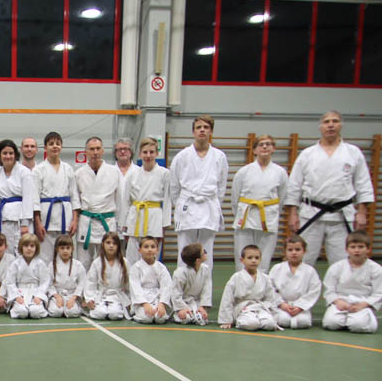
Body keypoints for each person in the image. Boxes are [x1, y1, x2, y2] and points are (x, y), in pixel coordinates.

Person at [285, 110, 375, 265]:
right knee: (303, 261)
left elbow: (363, 183)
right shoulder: (307, 154)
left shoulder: (353, 153)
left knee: (343, 263)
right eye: (326, 122)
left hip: (341, 215)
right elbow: (294, 185)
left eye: (335, 121)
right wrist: (293, 214)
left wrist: (361, 212)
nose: (331, 125)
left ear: (341, 125)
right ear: (320, 127)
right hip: (311, 214)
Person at [170, 115, 228, 268]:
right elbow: (174, 186)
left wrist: (215, 203)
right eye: (199, 127)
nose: (202, 130)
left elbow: (221, 186)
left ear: (211, 131)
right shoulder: (182, 156)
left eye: (206, 127)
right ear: (193, 132)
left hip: (208, 205)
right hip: (187, 205)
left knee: (206, 251)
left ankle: (204, 284)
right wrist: (180, 203)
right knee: (184, 250)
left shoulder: (219, 157)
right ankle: (182, 282)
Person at [231, 134, 288, 273]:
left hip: (268, 217)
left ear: (273, 148)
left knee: (264, 257)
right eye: (261, 144)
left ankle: (261, 283)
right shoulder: (244, 172)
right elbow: (235, 197)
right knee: (243, 255)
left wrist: (271, 210)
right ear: (254, 150)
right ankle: (242, 283)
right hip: (246, 217)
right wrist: (239, 214)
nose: (265, 147)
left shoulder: (280, 172)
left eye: (268, 144)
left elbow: (282, 196)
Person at [322, 231, 382, 333]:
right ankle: (345, 320)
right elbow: (329, 289)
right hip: (341, 301)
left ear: (368, 249)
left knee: (358, 325)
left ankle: (360, 319)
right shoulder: (336, 267)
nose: (357, 250)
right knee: (331, 324)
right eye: (353, 247)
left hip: (362, 302)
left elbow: (379, 293)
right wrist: (337, 301)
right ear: (347, 249)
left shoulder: (376, 269)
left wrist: (364, 305)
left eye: (361, 247)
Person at [121, 137, 172, 265]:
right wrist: (124, 223)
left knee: (151, 255)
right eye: (145, 152)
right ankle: (132, 278)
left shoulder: (164, 173)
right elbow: (126, 201)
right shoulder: (132, 174)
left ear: (157, 153)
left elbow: (167, 199)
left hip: (154, 216)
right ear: (140, 154)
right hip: (135, 216)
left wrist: (164, 224)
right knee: (132, 257)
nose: (148, 155)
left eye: (151, 152)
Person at [32, 131, 80, 264]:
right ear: (45, 147)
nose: (55, 146)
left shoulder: (68, 168)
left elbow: (74, 196)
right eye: (51, 143)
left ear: (61, 147)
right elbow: (35, 198)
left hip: (65, 217)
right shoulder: (38, 170)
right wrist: (37, 222)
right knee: (45, 257)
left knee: (65, 254)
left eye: (58, 144)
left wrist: (75, 220)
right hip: (46, 218)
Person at [75, 137, 121, 268]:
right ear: (86, 152)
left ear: (102, 151)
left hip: (107, 220)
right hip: (86, 221)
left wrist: (120, 223)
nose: (95, 152)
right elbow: (76, 201)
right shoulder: (79, 173)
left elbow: (119, 198)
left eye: (98, 149)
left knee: (107, 261)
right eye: (91, 149)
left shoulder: (114, 172)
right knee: (83, 263)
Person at [0, 139, 36, 256]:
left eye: (11, 153)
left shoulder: (24, 172)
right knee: (6, 252)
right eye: (4, 153)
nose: (8, 156)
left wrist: (25, 223)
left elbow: (28, 198)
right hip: (4, 218)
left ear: (16, 155)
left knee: (23, 252)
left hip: (21, 219)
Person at [218, 245, 280, 331]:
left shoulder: (265, 278)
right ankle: (242, 321)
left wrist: (274, 317)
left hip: (260, 308)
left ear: (260, 259)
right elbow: (227, 299)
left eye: (257, 258)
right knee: (252, 324)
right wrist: (226, 320)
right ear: (242, 260)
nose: (254, 261)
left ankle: (260, 321)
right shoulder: (236, 277)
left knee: (270, 324)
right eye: (250, 258)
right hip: (243, 309)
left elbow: (270, 299)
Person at [270, 234, 322, 329]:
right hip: (281, 306)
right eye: (290, 250)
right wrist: (282, 304)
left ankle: (298, 310)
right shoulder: (277, 269)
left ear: (304, 251)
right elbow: (270, 289)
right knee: (283, 320)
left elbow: (314, 291)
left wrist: (300, 306)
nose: (294, 253)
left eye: (297, 249)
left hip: (301, 307)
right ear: (285, 251)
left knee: (303, 321)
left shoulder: (310, 271)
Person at [84, 231, 131, 321]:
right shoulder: (97, 262)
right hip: (101, 295)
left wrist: (130, 300)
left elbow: (129, 284)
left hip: (117, 296)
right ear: (103, 244)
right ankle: (103, 307)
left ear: (118, 246)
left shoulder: (124, 262)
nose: (111, 246)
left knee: (115, 314)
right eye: (108, 243)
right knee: (99, 314)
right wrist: (89, 299)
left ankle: (116, 308)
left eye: (114, 243)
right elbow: (91, 282)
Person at [5, 233, 50, 319]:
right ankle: (16, 306)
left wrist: (39, 296)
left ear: (36, 248)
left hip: (35, 292)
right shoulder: (15, 264)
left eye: (32, 246)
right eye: (26, 246)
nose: (29, 248)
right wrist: (16, 296)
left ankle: (37, 306)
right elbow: (10, 282)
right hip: (20, 293)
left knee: (35, 312)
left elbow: (45, 282)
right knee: (22, 312)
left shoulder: (40, 264)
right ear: (21, 247)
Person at [129, 236, 172, 324]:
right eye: (146, 247)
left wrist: (162, 304)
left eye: (153, 247)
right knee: (147, 318)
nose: (149, 250)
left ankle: (159, 308)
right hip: (142, 300)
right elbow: (135, 288)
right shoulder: (136, 268)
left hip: (157, 298)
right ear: (140, 250)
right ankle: (137, 313)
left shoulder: (161, 267)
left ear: (157, 250)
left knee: (160, 318)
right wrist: (144, 303)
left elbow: (166, 286)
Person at [170, 243, 212, 326]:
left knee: (201, 319)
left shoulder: (206, 269)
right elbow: (175, 293)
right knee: (186, 318)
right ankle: (179, 313)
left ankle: (197, 311)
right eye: (204, 252)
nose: (206, 253)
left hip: (197, 303)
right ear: (198, 260)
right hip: (183, 302)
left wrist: (203, 306)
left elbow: (207, 290)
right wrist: (181, 308)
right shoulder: (180, 273)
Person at [46, 235, 85, 318]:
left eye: (68, 248)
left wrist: (74, 298)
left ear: (72, 249)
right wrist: (57, 296)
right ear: (57, 249)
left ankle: (76, 306)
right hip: (57, 295)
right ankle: (56, 305)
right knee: (56, 312)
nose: (65, 251)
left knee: (72, 312)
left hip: (72, 295)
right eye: (62, 248)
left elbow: (82, 283)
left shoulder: (78, 265)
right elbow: (49, 284)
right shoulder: (51, 265)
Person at [113, 137, 140, 247]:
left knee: (132, 252)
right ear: (115, 152)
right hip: (113, 217)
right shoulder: (109, 171)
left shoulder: (139, 171)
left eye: (126, 149)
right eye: (119, 149)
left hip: (134, 217)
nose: (122, 151)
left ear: (131, 151)